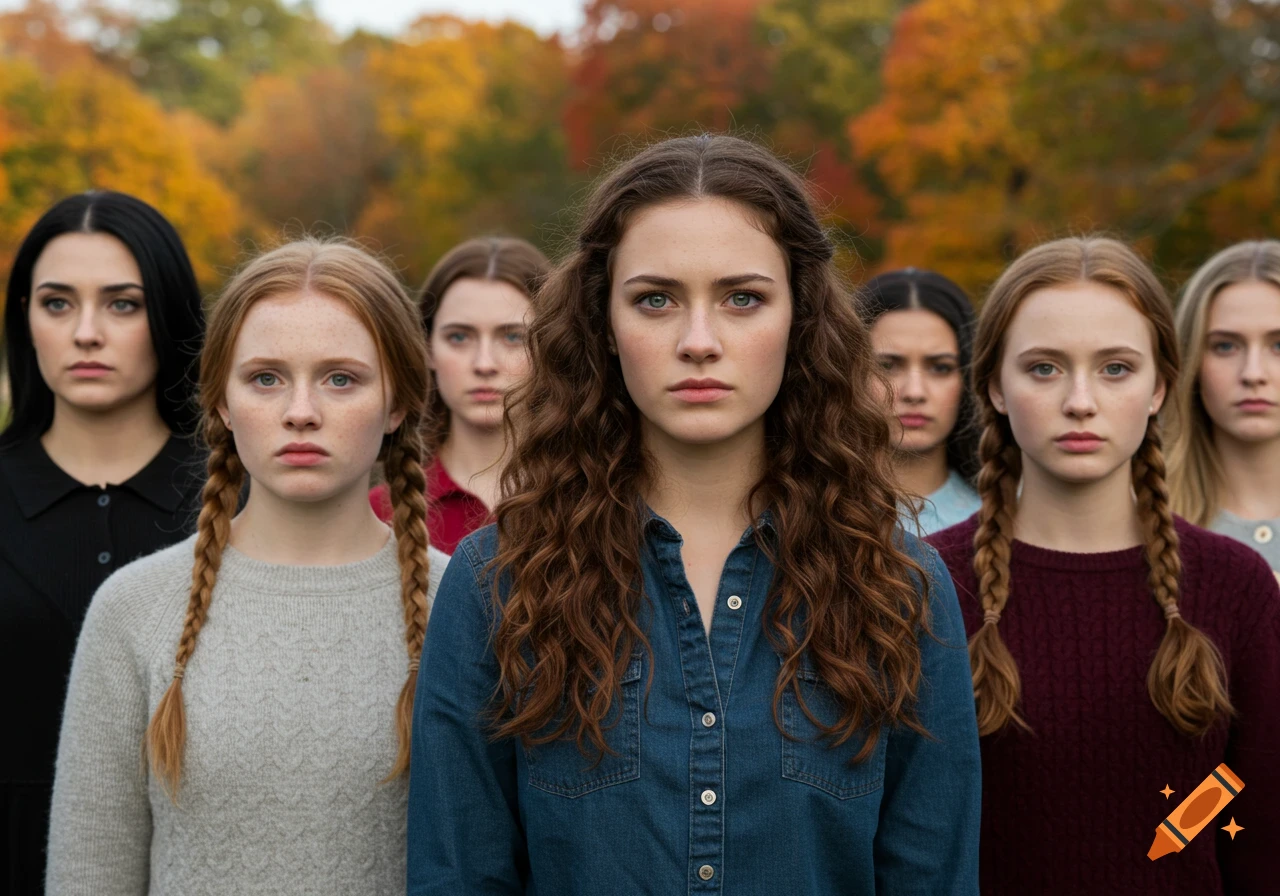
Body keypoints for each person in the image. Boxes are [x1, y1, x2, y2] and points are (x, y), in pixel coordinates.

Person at [408, 135, 981, 895]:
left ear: (801, 317)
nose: (699, 342)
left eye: (743, 298)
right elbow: (459, 875)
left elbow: (932, 878)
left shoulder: (899, 587)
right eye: (656, 299)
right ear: (603, 325)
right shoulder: (498, 583)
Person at [46, 239, 450, 894]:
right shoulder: (135, 609)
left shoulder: (466, 603)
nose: (300, 411)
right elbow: (88, 874)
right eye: (266, 378)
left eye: (341, 378)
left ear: (397, 402)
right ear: (223, 404)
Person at [927, 236, 1280, 895]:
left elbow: (1259, 834)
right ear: (994, 388)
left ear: (1160, 389)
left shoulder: (1236, 587)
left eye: (1115, 368)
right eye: (1044, 368)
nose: (1080, 400)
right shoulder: (925, 584)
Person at [0, 191, 205, 895]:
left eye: (123, 303)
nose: (87, 332)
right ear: (25, 319)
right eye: (57, 303)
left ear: (170, 315)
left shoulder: (242, 502)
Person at [370, 236, 549, 553]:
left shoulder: (596, 503)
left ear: (549, 345)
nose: (484, 364)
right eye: (459, 337)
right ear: (426, 348)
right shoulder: (376, 514)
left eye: (511, 336)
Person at [1167, 240, 1280, 572]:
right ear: (1191, 360)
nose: (1253, 374)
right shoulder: (1139, 521)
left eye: (1279, 345)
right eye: (1226, 346)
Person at [863, 268, 980, 535]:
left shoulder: (1007, 521)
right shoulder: (801, 514)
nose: (914, 392)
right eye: (887, 366)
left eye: (940, 368)